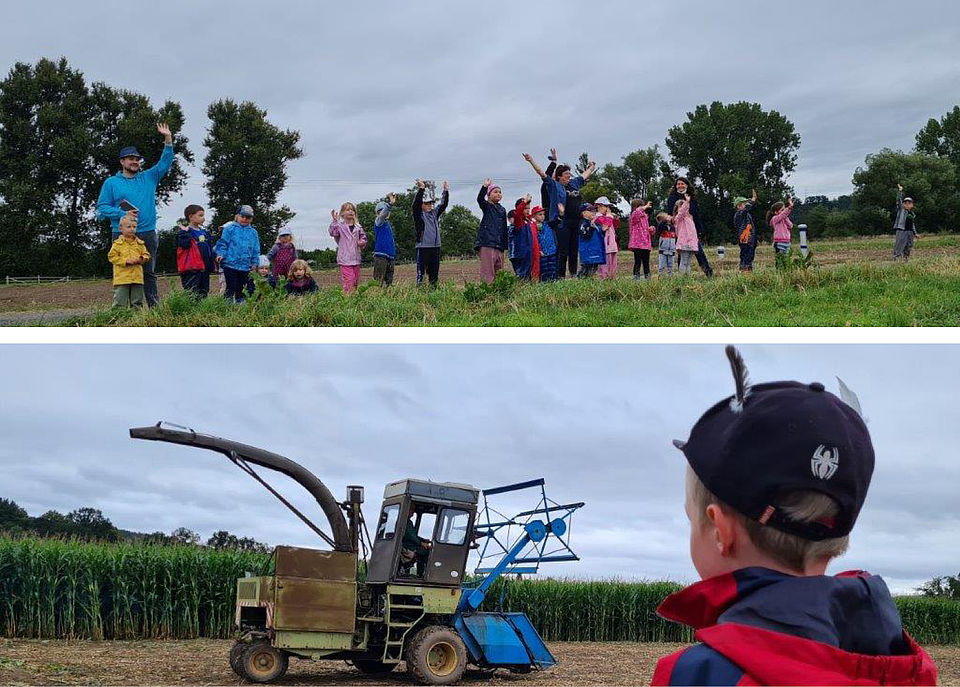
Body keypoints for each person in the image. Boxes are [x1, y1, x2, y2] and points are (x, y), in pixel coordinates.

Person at [651, 346, 938, 686]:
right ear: (836, 541)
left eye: (690, 517)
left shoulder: (698, 675)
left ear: (719, 530)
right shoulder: (900, 664)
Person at [96, 123, 175, 307]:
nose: (135, 162)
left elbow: (165, 162)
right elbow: (102, 207)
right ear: (122, 162)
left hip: (147, 232)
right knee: (123, 271)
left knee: (148, 273)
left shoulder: (149, 177)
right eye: (130, 158)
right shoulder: (111, 183)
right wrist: (121, 212)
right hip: (121, 234)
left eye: (137, 159)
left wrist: (168, 139)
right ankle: (123, 311)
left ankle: (154, 309)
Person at [523, 151, 597, 278]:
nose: (569, 176)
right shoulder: (554, 186)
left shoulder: (574, 184)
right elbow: (541, 173)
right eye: (566, 174)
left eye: (569, 174)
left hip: (576, 221)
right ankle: (560, 276)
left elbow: (584, 176)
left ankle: (573, 274)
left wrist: (591, 167)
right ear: (559, 177)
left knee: (574, 250)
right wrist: (531, 161)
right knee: (563, 250)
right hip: (562, 222)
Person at [666, 178, 713, 277]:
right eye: (678, 184)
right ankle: (682, 275)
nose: (680, 186)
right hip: (680, 228)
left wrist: (700, 229)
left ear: (687, 185)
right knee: (682, 253)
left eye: (682, 183)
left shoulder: (692, 198)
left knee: (698, 251)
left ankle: (708, 271)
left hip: (692, 228)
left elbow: (696, 214)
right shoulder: (672, 197)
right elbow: (672, 212)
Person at [215, 205, 261, 303]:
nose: (244, 219)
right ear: (237, 216)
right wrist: (220, 254)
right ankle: (227, 306)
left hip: (245, 266)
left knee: (242, 289)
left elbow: (256, 249)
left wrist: (255, 263)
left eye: (248, 217)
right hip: (230, 264)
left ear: (251, 219)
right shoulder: (229, 229)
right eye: (242, 216)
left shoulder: (253, 233)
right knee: (230, 287)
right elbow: (223, 243)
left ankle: (241, 306)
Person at [107, 215, 151, 308]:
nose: (132, 229)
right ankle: (118, 320)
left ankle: (136, 320)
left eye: (134, 227)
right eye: (129, 227)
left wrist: (142, 259)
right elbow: (112, 257)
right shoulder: (117, 244)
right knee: (120, 302)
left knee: (137, 302)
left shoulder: (140, 243)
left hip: (137, 278)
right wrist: (126, 261)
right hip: (122, 278)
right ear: (120, 228)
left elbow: (147, 254)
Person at [413, 181, 449, 287]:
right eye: (427, 203)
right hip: (423, 247)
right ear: (422, 204)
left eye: (431, 203)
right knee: (421, 274)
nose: (429, 205)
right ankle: (420, 291)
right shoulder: (418, 214)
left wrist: (445, 191)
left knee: (434, 274)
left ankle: (433, 291)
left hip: (436, 247)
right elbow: (415, 205)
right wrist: (421, 188)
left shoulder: (434, 213)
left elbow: (443, 204)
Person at [176, 205, 215, 298]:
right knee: (192, 291)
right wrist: (185, 234)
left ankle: (202, 310)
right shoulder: (185, 232)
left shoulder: (205, 232)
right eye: (200, 215)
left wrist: (211, 264)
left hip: (204, 267)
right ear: (191, 216)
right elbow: (184, 245)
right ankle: (191, 311)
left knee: (204, 290)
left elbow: (209, 249)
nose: (203, 218)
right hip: (192, 268)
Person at [329, 203, 368, 293]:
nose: (350, 211)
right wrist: (334, 222)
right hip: (345, 258)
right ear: (342, 214)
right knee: (349, 280)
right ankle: (347, 298)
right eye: (347, 209)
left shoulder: (358, 227)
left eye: (352, 210)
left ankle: (353, 298)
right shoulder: (340, 226)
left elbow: (364, 237)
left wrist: (362, 242)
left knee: (355, 281)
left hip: (356, 257)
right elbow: (333, 233)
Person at [475, 179, 508, 284]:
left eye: (500, 192)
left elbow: (504, 228)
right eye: (495, 191)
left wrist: (504, 246)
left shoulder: (502, 210)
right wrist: (484, 187)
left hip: (499, 245)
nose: (498, 194)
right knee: (488, 271)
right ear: (488, 195)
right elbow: (480, 199)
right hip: (487, 243)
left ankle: (498, 291)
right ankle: (488, 293)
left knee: (499, 269)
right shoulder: (487, 206)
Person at [373, 194, 398, 287]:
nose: (385, 212)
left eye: (387, 211)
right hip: (381, 255)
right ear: (377, 213)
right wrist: (390, 204)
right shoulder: (379, 222)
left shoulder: (388, 224)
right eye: (381, 211)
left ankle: (387, 297)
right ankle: (376, 297)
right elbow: (382, 215)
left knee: (389, 281)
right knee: (378, 281)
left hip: (390, 256)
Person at [508, 196, 534, 280]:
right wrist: (524, 202)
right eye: (525, 208)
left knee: (527, 275)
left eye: (528, 208)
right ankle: (520, 289)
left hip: (527, 253)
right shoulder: (519, 222)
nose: (527, 210)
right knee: (521, 275)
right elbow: (518, 213)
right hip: (519, 254)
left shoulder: (527, 221)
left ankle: (526, 289)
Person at [628, 199, 655, 281]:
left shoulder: (645, 217)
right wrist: (645, 206)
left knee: (646, 262)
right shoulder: (634, 215)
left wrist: (650, 229)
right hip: (637, 243)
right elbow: (637, 212)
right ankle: (636, 279)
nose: (643, 208)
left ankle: (648, 278)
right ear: (635, 207)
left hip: (645, 243)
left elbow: (646, 230)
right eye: (640, 206)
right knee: (638, 262)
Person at [733, 189, 759, 271]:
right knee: (746, 256)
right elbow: (748, 207)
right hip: (745, 239)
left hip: (750, 238)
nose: (746, 205)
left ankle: (747, 270)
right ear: (738, 206)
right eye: (744, 203)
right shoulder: (739, 214)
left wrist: (754, 239)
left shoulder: (746, 214)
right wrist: (753, 199)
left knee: (750, 256)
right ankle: (744, 271)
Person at [577, 203, 605, 278]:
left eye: (594, 210)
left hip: (595, 250)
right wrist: (591, 228)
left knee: (594, 268)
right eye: (590, 210)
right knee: (587, 268)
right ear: (584, 213)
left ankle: (589, 281)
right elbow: (585, 236)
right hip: (587, 251)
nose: (593, 212)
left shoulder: (594, 223)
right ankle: (582, 281)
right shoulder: (583, 223)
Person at [594, 197, 618, 279]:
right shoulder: (598, 217)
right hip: (604, 244)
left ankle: (612, 276)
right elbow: (606, 225)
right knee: (605, 262)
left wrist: (615, 219)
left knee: (613, 261)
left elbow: (615, 226)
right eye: (606, 206)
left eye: (608, 207)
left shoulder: (608, 216)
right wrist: (609, 216)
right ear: (599, 207)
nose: (608, 209)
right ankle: (604, 277)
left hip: (611, 243)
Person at [892, 184, 918, 261]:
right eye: (905, 203)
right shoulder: (901, 210)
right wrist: (900, 191)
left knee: (908, 246)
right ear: (903, 204)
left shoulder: (912, 214)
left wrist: (915, 233)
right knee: (899, 245)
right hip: (901, 230)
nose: (907, 204)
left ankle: (905, 259)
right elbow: (898, 200)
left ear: (912, 205)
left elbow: (912, 224)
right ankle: (896, 259)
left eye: (909, 203)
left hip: (909, 232)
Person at [674, 196, 699, 275]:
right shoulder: (678, 218)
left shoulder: (690, 219)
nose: (683, 208)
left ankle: (687, 277)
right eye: (680, 206)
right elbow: (682, 212)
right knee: (684, 261)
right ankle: (681, 278)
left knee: (688, 262)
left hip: (691, 244)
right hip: (684, 243)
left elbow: (693, 232)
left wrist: (695, 241)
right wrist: (687, 202)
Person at [533, 205, 558, 282]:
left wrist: (561, 213)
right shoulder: (532, 227)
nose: (542, 216)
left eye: (543, 214)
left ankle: (553, 284)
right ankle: (544, 286)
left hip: (552, 252)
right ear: (534, 216)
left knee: (552, 270)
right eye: (540, 215)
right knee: (544, 271)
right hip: (542, 253)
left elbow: (557, 221)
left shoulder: (547, 224)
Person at [656, 212, 676, 277]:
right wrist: (664, 220)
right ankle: (660, 278)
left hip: (671, 250)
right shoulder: (661, 227)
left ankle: (671, 278)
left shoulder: (672, 227)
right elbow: (660, 226)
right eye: (667, 216)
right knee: (661, 266)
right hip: (663, 250)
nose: (669, 216)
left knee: (671, 266)